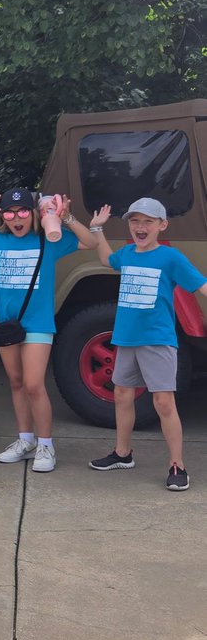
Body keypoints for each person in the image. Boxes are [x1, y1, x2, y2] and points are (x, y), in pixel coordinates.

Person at [0, 188, 101, 472]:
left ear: (34, 213)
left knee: (34, 385)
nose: (16, 217)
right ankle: (25, 440)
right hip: (9, 326)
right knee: (15, 382)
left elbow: (90, 242)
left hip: (38, 324)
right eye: (10, 212)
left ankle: (46, 444)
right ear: (4, 216)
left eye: (23, 211)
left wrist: (67, 218)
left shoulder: (47, 241)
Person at [87, 198, 207, 492]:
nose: (140, 228)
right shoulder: (127, 253)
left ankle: (177, 465)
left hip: (158, 340)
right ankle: (122, 454)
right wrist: (97, 229)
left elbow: (201, 286)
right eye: (135, 221)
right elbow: (106, 259)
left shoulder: (171, 258)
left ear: (162, 225)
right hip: (126, 339)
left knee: (164, 402)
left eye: (148, 222)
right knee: (122, 396)